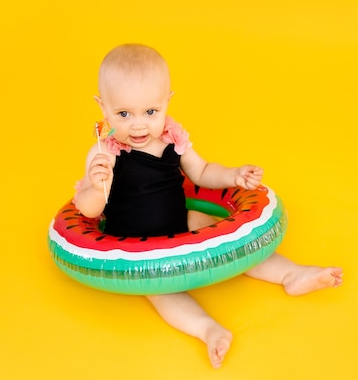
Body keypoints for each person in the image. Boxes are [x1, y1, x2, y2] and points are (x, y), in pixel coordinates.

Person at [73, 43, 343, 369]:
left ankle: (293, 274)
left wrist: (233, 175)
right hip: (137, 246)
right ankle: (208, 329)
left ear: (167, 102)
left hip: (180, 224)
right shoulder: (105, 154)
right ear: (103, 108)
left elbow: (201, 172)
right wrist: (96, 183)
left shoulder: (173, 138)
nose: (139, 125)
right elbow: (87, 211)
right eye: (124, 114)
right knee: (161, 292)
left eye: (150, 112)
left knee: (229, 243)